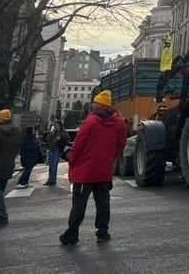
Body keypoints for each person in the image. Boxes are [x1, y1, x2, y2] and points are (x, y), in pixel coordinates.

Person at [59, 90, 127, 245]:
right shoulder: (119, 122)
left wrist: (72, 161)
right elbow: (121, 144)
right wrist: (110, 157)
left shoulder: (90, 121)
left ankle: (72, 234)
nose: (92, 104)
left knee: (79, 204)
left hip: (85, 171)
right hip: (104, 170)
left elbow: (78, 145)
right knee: (103, 202)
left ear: (99, 104)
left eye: (94, 102)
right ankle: (102, 232)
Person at [44, 120, 68, 186]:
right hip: (52, 148)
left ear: (60, 125)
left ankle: (52, 180)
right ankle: (51, 179)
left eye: (57, 125)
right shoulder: (53, 132)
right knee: (51, 164)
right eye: (55, 125)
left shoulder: (63, 132)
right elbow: (47, 138)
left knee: (54, 164)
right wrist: (52, 133)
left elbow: (67, 139)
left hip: (58, 149)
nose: (56, 126)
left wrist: (60, 139)